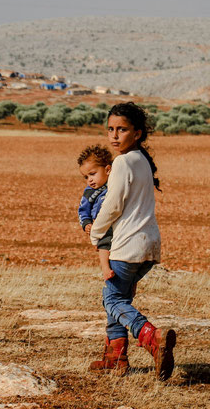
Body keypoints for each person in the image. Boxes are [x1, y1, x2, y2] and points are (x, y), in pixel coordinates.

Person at [88, 102, 176, 381]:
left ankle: (151, 337)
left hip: (127, 245)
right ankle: (116, 358)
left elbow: (112, 205)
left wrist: (95, 232)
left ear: (137, 133)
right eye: (110, 129)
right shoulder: (141, 160)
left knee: (111, 298)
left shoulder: (123, 162)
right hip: (149, 245)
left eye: (122, 129)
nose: (114, 136)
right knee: (120, 297)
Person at [77, 144, 114, 281]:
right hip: (102, 225)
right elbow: (82, 210)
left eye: (92, 174)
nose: (89, 180)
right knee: (104, 244)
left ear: (108, 169)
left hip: (118, 223)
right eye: (86, 177)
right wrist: (86, 223)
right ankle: (105, 269)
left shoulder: (115, 184)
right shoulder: (89, 192)